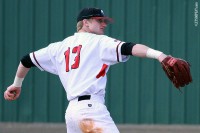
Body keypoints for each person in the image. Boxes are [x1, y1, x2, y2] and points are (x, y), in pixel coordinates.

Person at [4, 7, 190, 133]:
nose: (104, 24)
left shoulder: (58, 47)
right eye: (99, 20)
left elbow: (26, 60)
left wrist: (16, 84)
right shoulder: (99, 42)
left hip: (72, 114)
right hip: (90, 111)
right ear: (85, 23)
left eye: (104, 21)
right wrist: (160, 55)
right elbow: (129, 48)